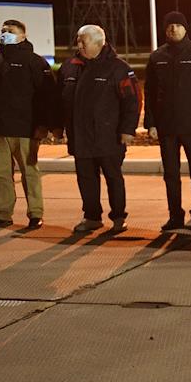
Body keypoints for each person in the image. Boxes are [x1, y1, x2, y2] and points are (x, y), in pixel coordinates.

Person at [0, 19, 58, 230]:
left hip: (26, 130)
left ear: (23, 36)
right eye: (3, 30)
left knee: (30, 173)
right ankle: (3, 214)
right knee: (1, 174)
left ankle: (35, 214)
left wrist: (45, 124)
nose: (5, 33)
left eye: (10, 31)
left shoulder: (35, 62)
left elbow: (47, 96)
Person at [56, 25, 141, 234]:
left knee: (113, 178)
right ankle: (92, 217)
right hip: (80, 136)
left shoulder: (118, 68)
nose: (79, 44)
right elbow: (58, 100)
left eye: (83, 40)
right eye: (78, 40)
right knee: (86, 179)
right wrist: (57, 127)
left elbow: (132, 101)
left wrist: (127, 129)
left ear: (98, 43)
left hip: (109, 136)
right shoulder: (70, 67)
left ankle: (118, 217)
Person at [144, 11, 191, 232]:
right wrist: (150, 123)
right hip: (167, 126)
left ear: (185, 28)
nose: (173, 29)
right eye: (169, 26)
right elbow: (150, 92)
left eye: (178, 25)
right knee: (171, 175)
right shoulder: (157, 57)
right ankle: (175, 215)